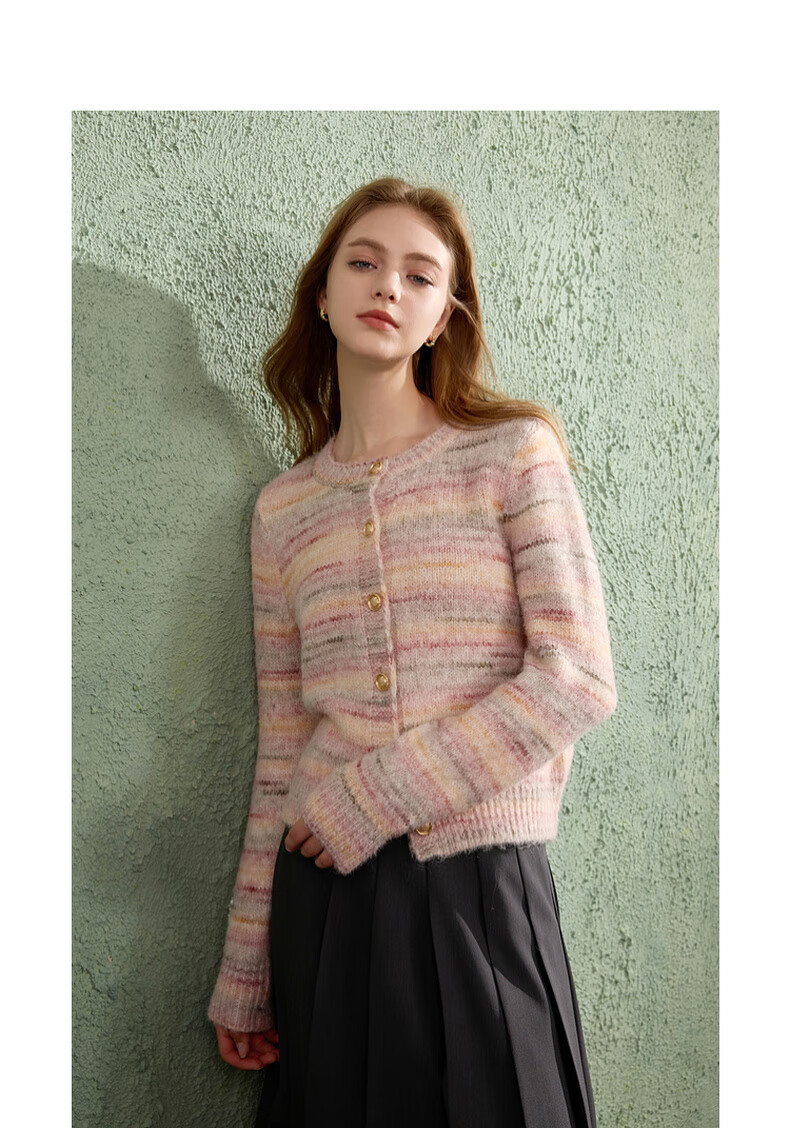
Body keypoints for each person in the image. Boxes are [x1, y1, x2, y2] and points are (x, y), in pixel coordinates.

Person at [208, 176, 618, 1128]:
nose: (387, 285)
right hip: (326, 901)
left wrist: (378, 795)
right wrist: (246, 969)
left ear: (444, 316)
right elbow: (282, 751)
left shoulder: (513, 454)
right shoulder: (283, 512)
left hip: (482, 887)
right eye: (363, 262)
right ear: (322, 294)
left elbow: (578, 679)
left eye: (420, 275)